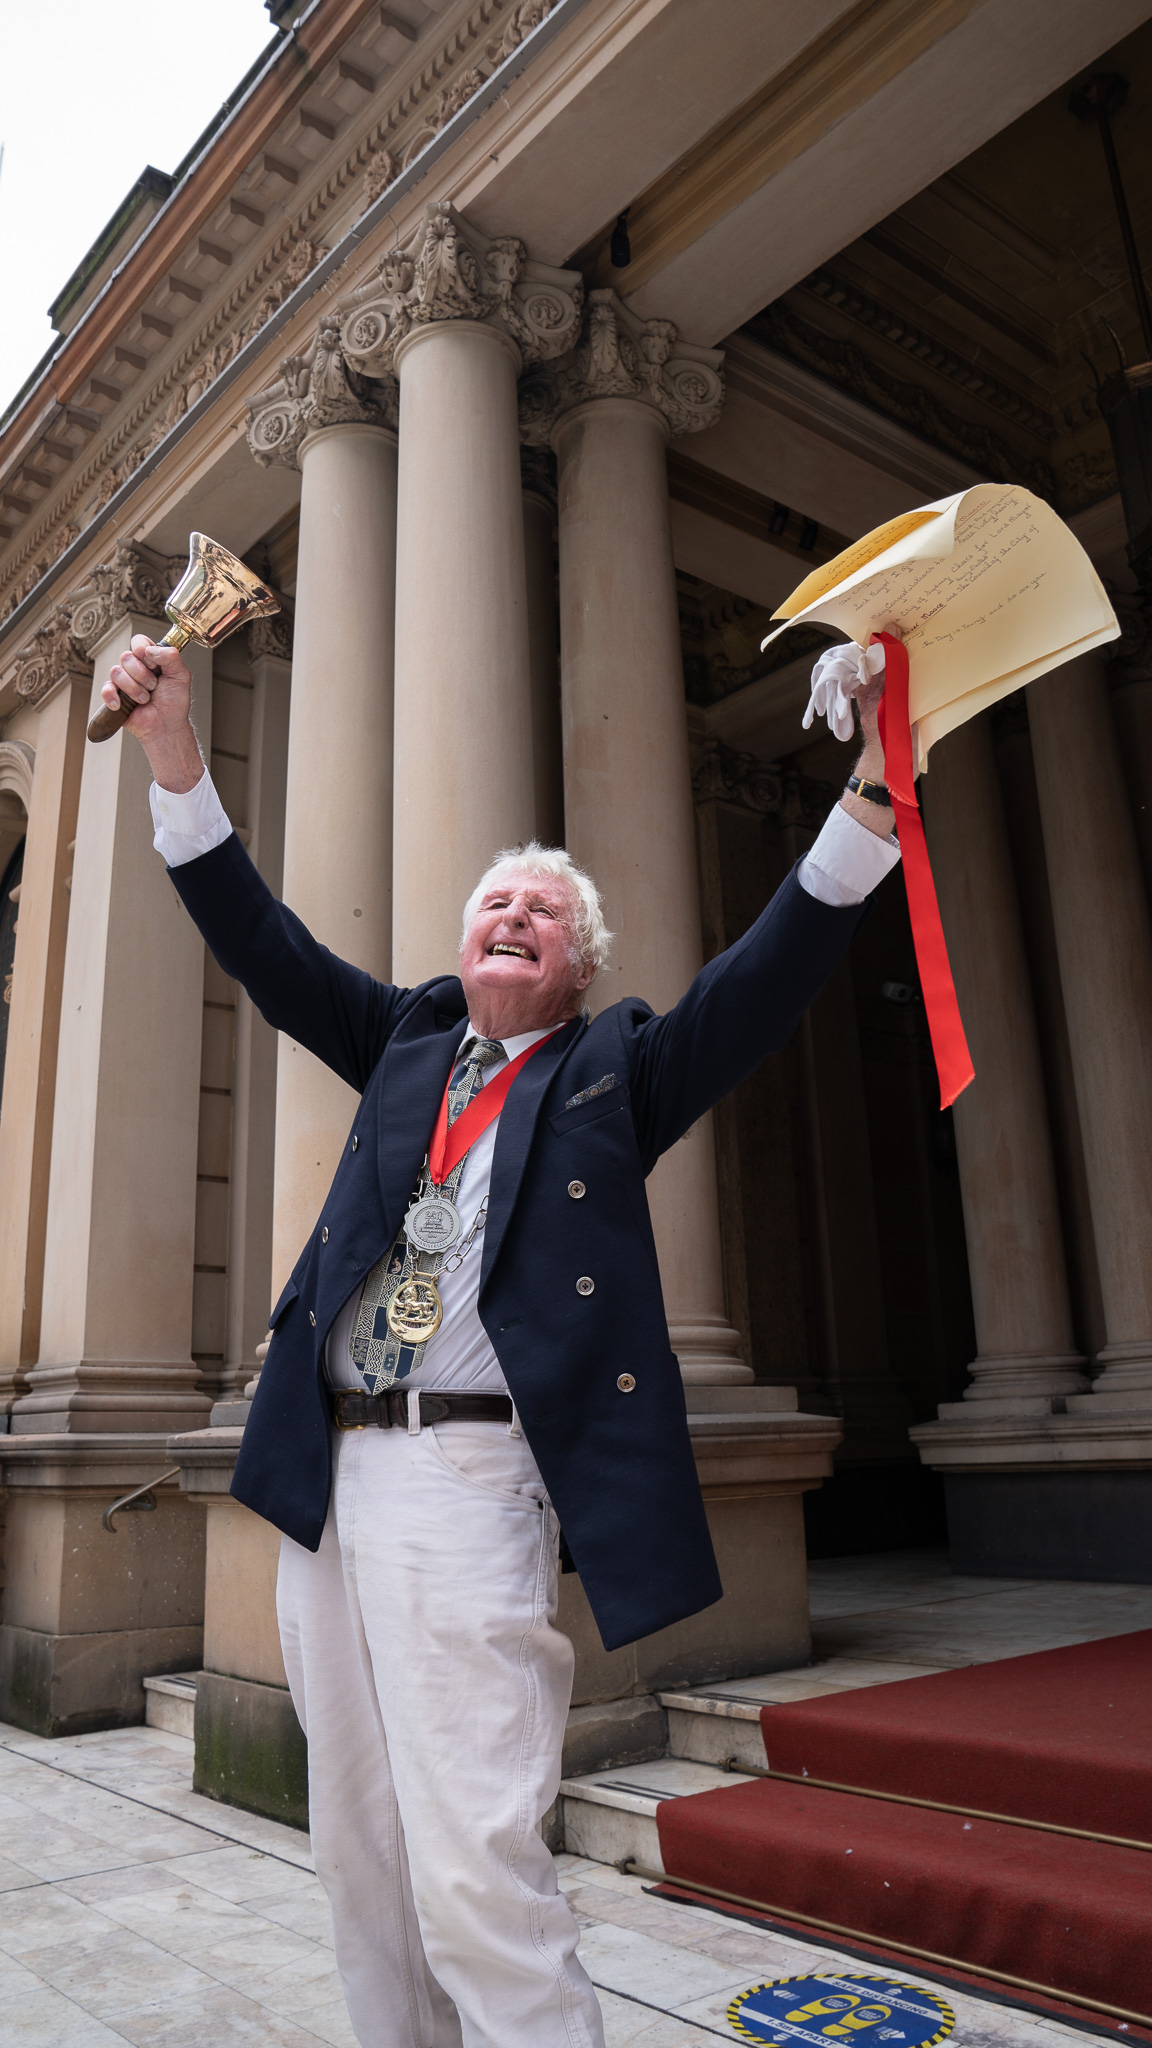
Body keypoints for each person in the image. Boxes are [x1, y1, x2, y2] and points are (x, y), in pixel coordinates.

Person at [103, 634, 898, 2048]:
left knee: (474, 1856)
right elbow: (265, 948)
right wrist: (177, 757)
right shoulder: (406, 1039)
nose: (512, 914)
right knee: (356, 1843)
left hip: (466, 1487)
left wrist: (870, 797)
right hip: (320, 1475)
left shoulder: (613, 1068)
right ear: (463, 948)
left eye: (543, 907)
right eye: (493, 903)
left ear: (578, 961)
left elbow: (762, 985)